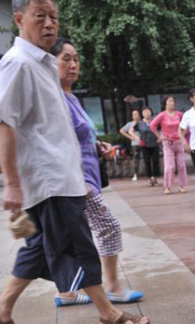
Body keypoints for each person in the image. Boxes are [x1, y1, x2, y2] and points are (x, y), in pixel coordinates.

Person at [0, 0, 149, 324]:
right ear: (18, 19)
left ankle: (0, 312)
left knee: (41, 247)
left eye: (53, 17)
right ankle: (108, 314)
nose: (48, 24)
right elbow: (2, 124)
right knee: (77, 245)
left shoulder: (41, 63)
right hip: (50, 180)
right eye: (39, 16)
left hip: (59, 177)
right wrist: (11, 185)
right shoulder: (17, 64)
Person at [51, 37, 144, 306]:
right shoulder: (57, 99)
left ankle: (65, 292)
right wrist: (79, 180)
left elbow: (77, 137)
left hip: (84, 177)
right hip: (77, 181)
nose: (73, 64)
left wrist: (97, 144)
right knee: (109, 227)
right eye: (65, 58)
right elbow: (58, 143)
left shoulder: (70, 96)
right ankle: (112, 287)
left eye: (76, 58)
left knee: (65, 236)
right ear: (51, 63)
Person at [150, 96, 187, 194]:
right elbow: (152, 125)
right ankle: (168, 186)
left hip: (179, 142)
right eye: (170, 101)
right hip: (168, 143)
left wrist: (184, 136)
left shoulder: (179, 114)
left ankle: (182, 185)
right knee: (170, 166)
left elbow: (186, 125)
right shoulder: (162, 115)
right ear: (165, 103)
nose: (172, 103)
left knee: (182, 165)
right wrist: (159, 136)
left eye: (173, 101)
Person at [137, 106, 160, 187]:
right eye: (145, 112)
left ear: (151, 112)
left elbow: (161, 129)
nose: (147, 113)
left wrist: (159, 137)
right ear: (142, 113)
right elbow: (130, 131)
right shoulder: (139, 123)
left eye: (148, 111)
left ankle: (155, 177)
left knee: (155, 161)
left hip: (155, 144)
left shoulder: (155, 121)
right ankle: (150, 178)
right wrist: (137, 138)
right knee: (147, 161)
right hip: (144, 145)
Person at [119, 109, 141, 181]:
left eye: (136, 114)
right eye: (134, 114)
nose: (135, 115)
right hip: (135, 144)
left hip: (143, 143)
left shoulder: (142, 122)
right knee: (136, 159)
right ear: (132, 116)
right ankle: (135, 174)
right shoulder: (130, 124)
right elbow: (121, 130)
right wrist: (129, 137)